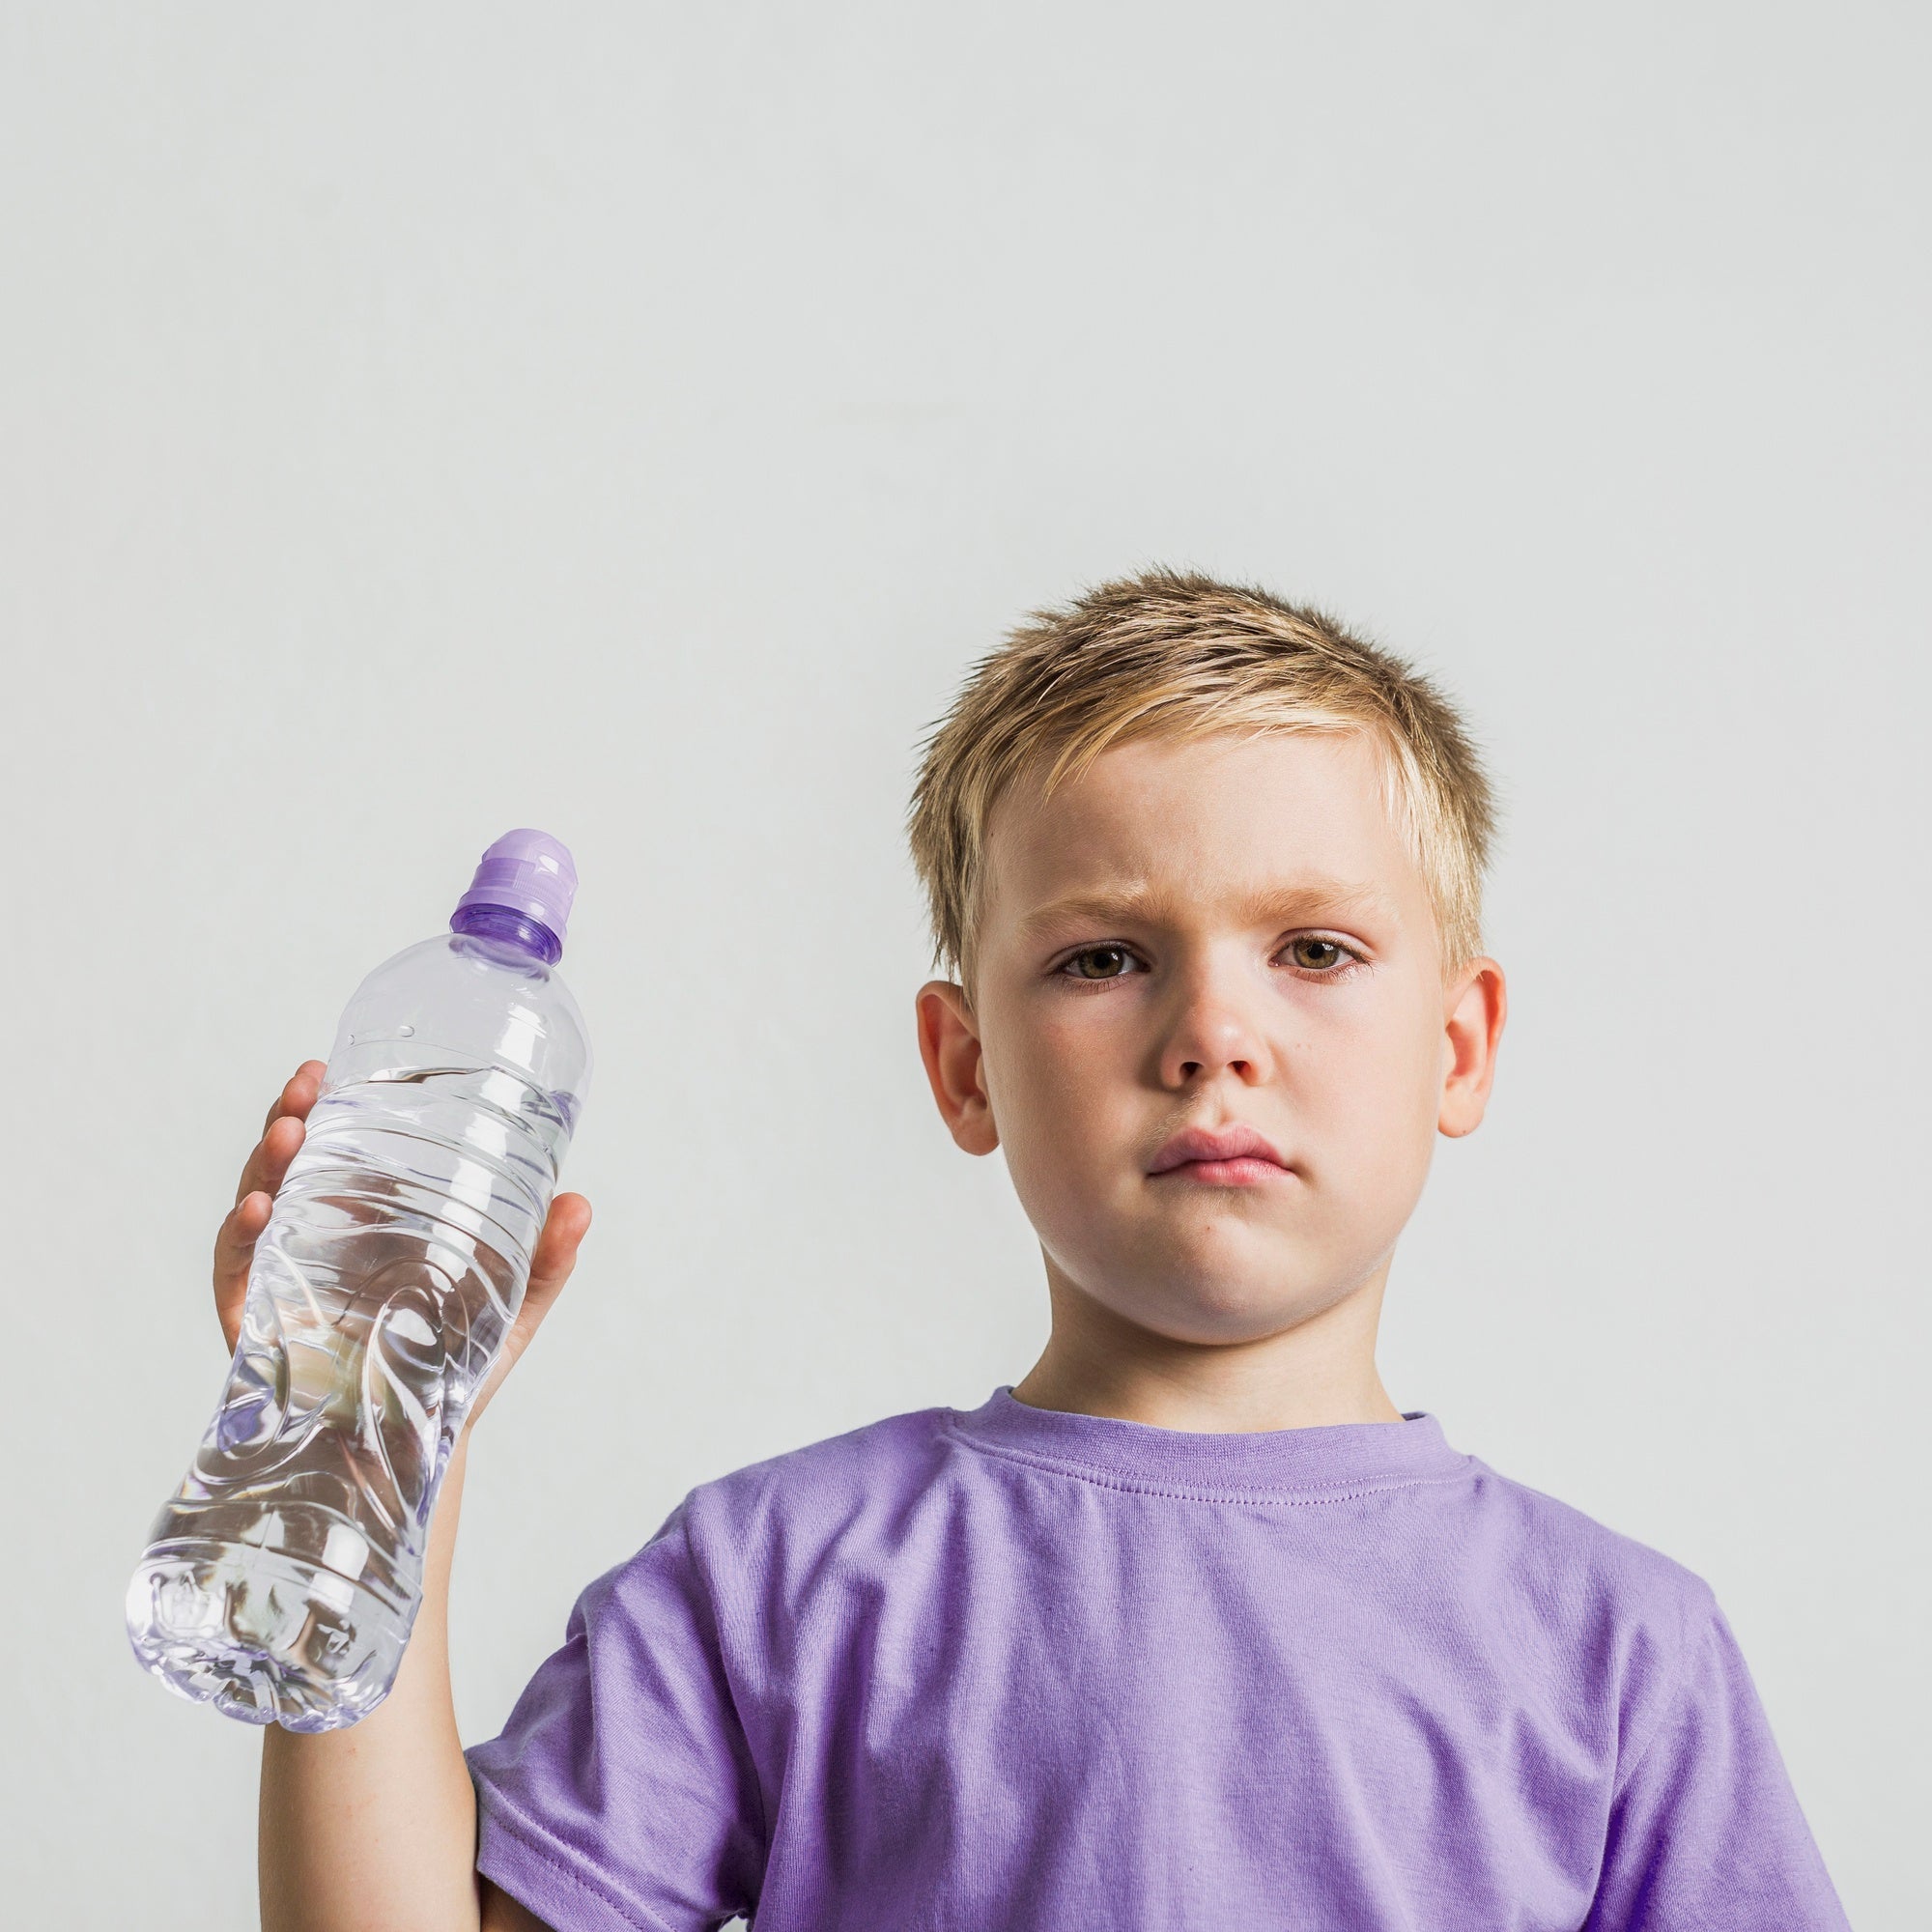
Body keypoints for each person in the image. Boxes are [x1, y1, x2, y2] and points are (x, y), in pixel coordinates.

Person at [234, 569, 1850, 1930]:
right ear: (966, 1068)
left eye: (1316, 949)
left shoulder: (1625, 1656)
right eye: (1103, 956)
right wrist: (364, 1442)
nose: (1215, 1031)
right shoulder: (782, 1583)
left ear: (1460, 1044)